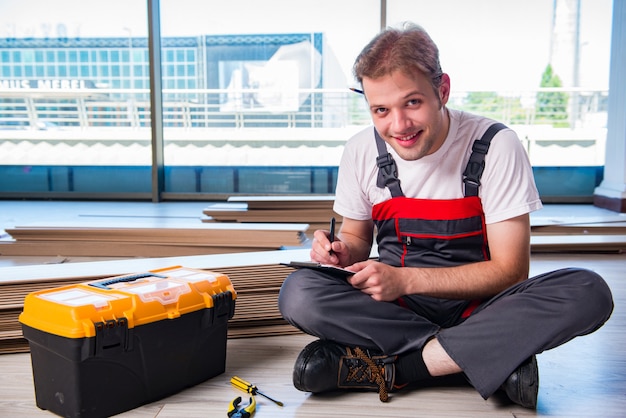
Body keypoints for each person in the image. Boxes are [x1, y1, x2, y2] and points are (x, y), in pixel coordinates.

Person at [277, 22, 614, 408]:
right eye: (381, 110)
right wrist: (340, 252)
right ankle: (482, 356)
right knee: (299, 293)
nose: (398, 125)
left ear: (443, 90)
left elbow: (511, 271)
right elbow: (356, 239)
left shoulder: (495, 146)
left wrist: (406, 279)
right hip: (398, 310)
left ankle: (401, 369)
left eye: (412, 103)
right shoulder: (360, 151)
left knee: (587, 291)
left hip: (482, 308)